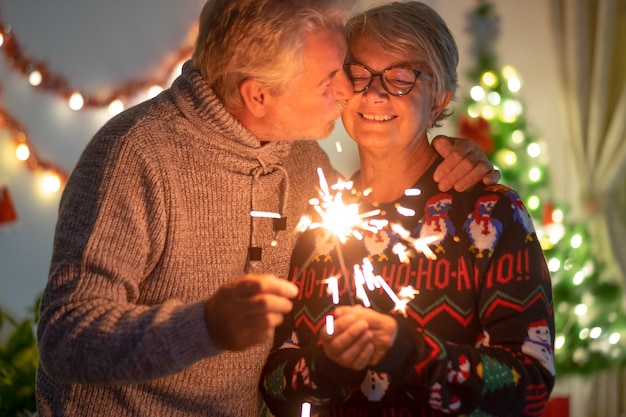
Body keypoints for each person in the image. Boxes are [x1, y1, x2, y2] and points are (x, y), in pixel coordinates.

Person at [35, 1, 499, 416]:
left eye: (344, 68)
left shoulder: (301, 159)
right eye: (328, 78)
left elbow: (380, 206)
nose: (347, 90)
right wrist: (206, 326)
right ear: (258, 94)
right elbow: (65, 336)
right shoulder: (134, 156)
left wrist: (452, 155)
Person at [260, 2, 555, 416]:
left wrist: (411, 352)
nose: (376, 92)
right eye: (360, 73)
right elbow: (275, 386)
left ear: (440, 98)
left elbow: (531, 383)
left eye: (402, 76)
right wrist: (327, 365)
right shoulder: (321, 220)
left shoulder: (489, 212)